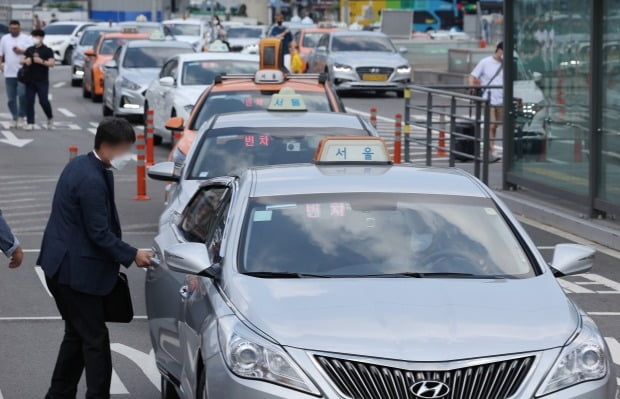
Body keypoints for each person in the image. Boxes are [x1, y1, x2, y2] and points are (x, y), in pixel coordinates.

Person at [38, 117, 153, 399]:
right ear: (107, 146)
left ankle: (58, 393)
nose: (129, 156)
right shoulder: (90, 179)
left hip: (62, 267)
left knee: (77, 335)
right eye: (126, 149)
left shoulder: (82, 165)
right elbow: (98, 233)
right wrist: (133, 254)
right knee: (95, 339)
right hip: (74, 273)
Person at [469, 41, 504, 162]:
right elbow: (473, 76)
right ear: (499, 50)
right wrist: (472, 87)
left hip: (502, 99)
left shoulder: (508, 63)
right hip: (488, 98)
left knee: (496, 126)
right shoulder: (485, 62)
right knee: (491, 125)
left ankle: (490, 150)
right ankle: (491, 152)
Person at [20, 29, 55, 130]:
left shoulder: (47, 50)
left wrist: (41, 61)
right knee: (29, 101)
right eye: (33, 37)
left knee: (43, 101)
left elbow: (52, 63)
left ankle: (50, 117)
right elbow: (21, 60)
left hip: (42, 80)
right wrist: (26, 61)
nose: (34, 39)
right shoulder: (29, 49)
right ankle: (30, 122)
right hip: (29, 80)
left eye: (36, 37)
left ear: (42, 38)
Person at [0, 20, 31, 128]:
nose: (14, 30)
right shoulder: (5, 38)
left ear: (19, 28)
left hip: (22, 72)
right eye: (12, 28)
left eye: (16, 28)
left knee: (22, 95)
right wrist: (1, 64)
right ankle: (15, 117)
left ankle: (22, 116)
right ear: (9, 29)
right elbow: (1, 53)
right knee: (11, 98)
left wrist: (21, 51)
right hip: (9, 72)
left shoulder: (25, 38)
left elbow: (31, 52)